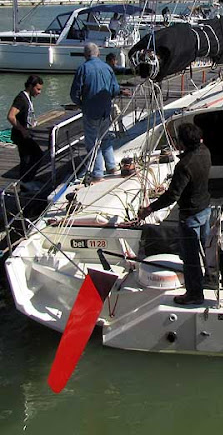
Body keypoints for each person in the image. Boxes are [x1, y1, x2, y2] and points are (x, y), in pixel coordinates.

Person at [138, 123, 211, 305]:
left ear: (182, 143)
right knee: (203, 249)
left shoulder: (184, 165)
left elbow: (172, 196)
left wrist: (149, 209)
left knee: (190, 257)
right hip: (205, 209)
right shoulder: (205, 151)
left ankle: (194, 294)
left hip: (191, 216)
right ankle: (208, 276)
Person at [70, 43, 127, 182]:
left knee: (93, 142)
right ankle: (112, 166)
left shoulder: (83, 69)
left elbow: (74, 93)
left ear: (85, 55)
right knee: (105, 138)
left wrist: (81, 103)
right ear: (98, 53)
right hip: (105, 110)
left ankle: (98, 173)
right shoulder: (107, 68)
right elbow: (114, 89)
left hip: (91, 110)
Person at [7, 75, 44, 185]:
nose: (39, 92)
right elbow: (10, 116)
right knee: (35, 156)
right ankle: (26, 183)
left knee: (27, 158)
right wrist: (22, 130)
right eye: (38, 89)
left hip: (25, 134)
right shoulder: (21, 99)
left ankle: (27, 181)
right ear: (30, 86)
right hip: (21, 134)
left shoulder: (27, 97)